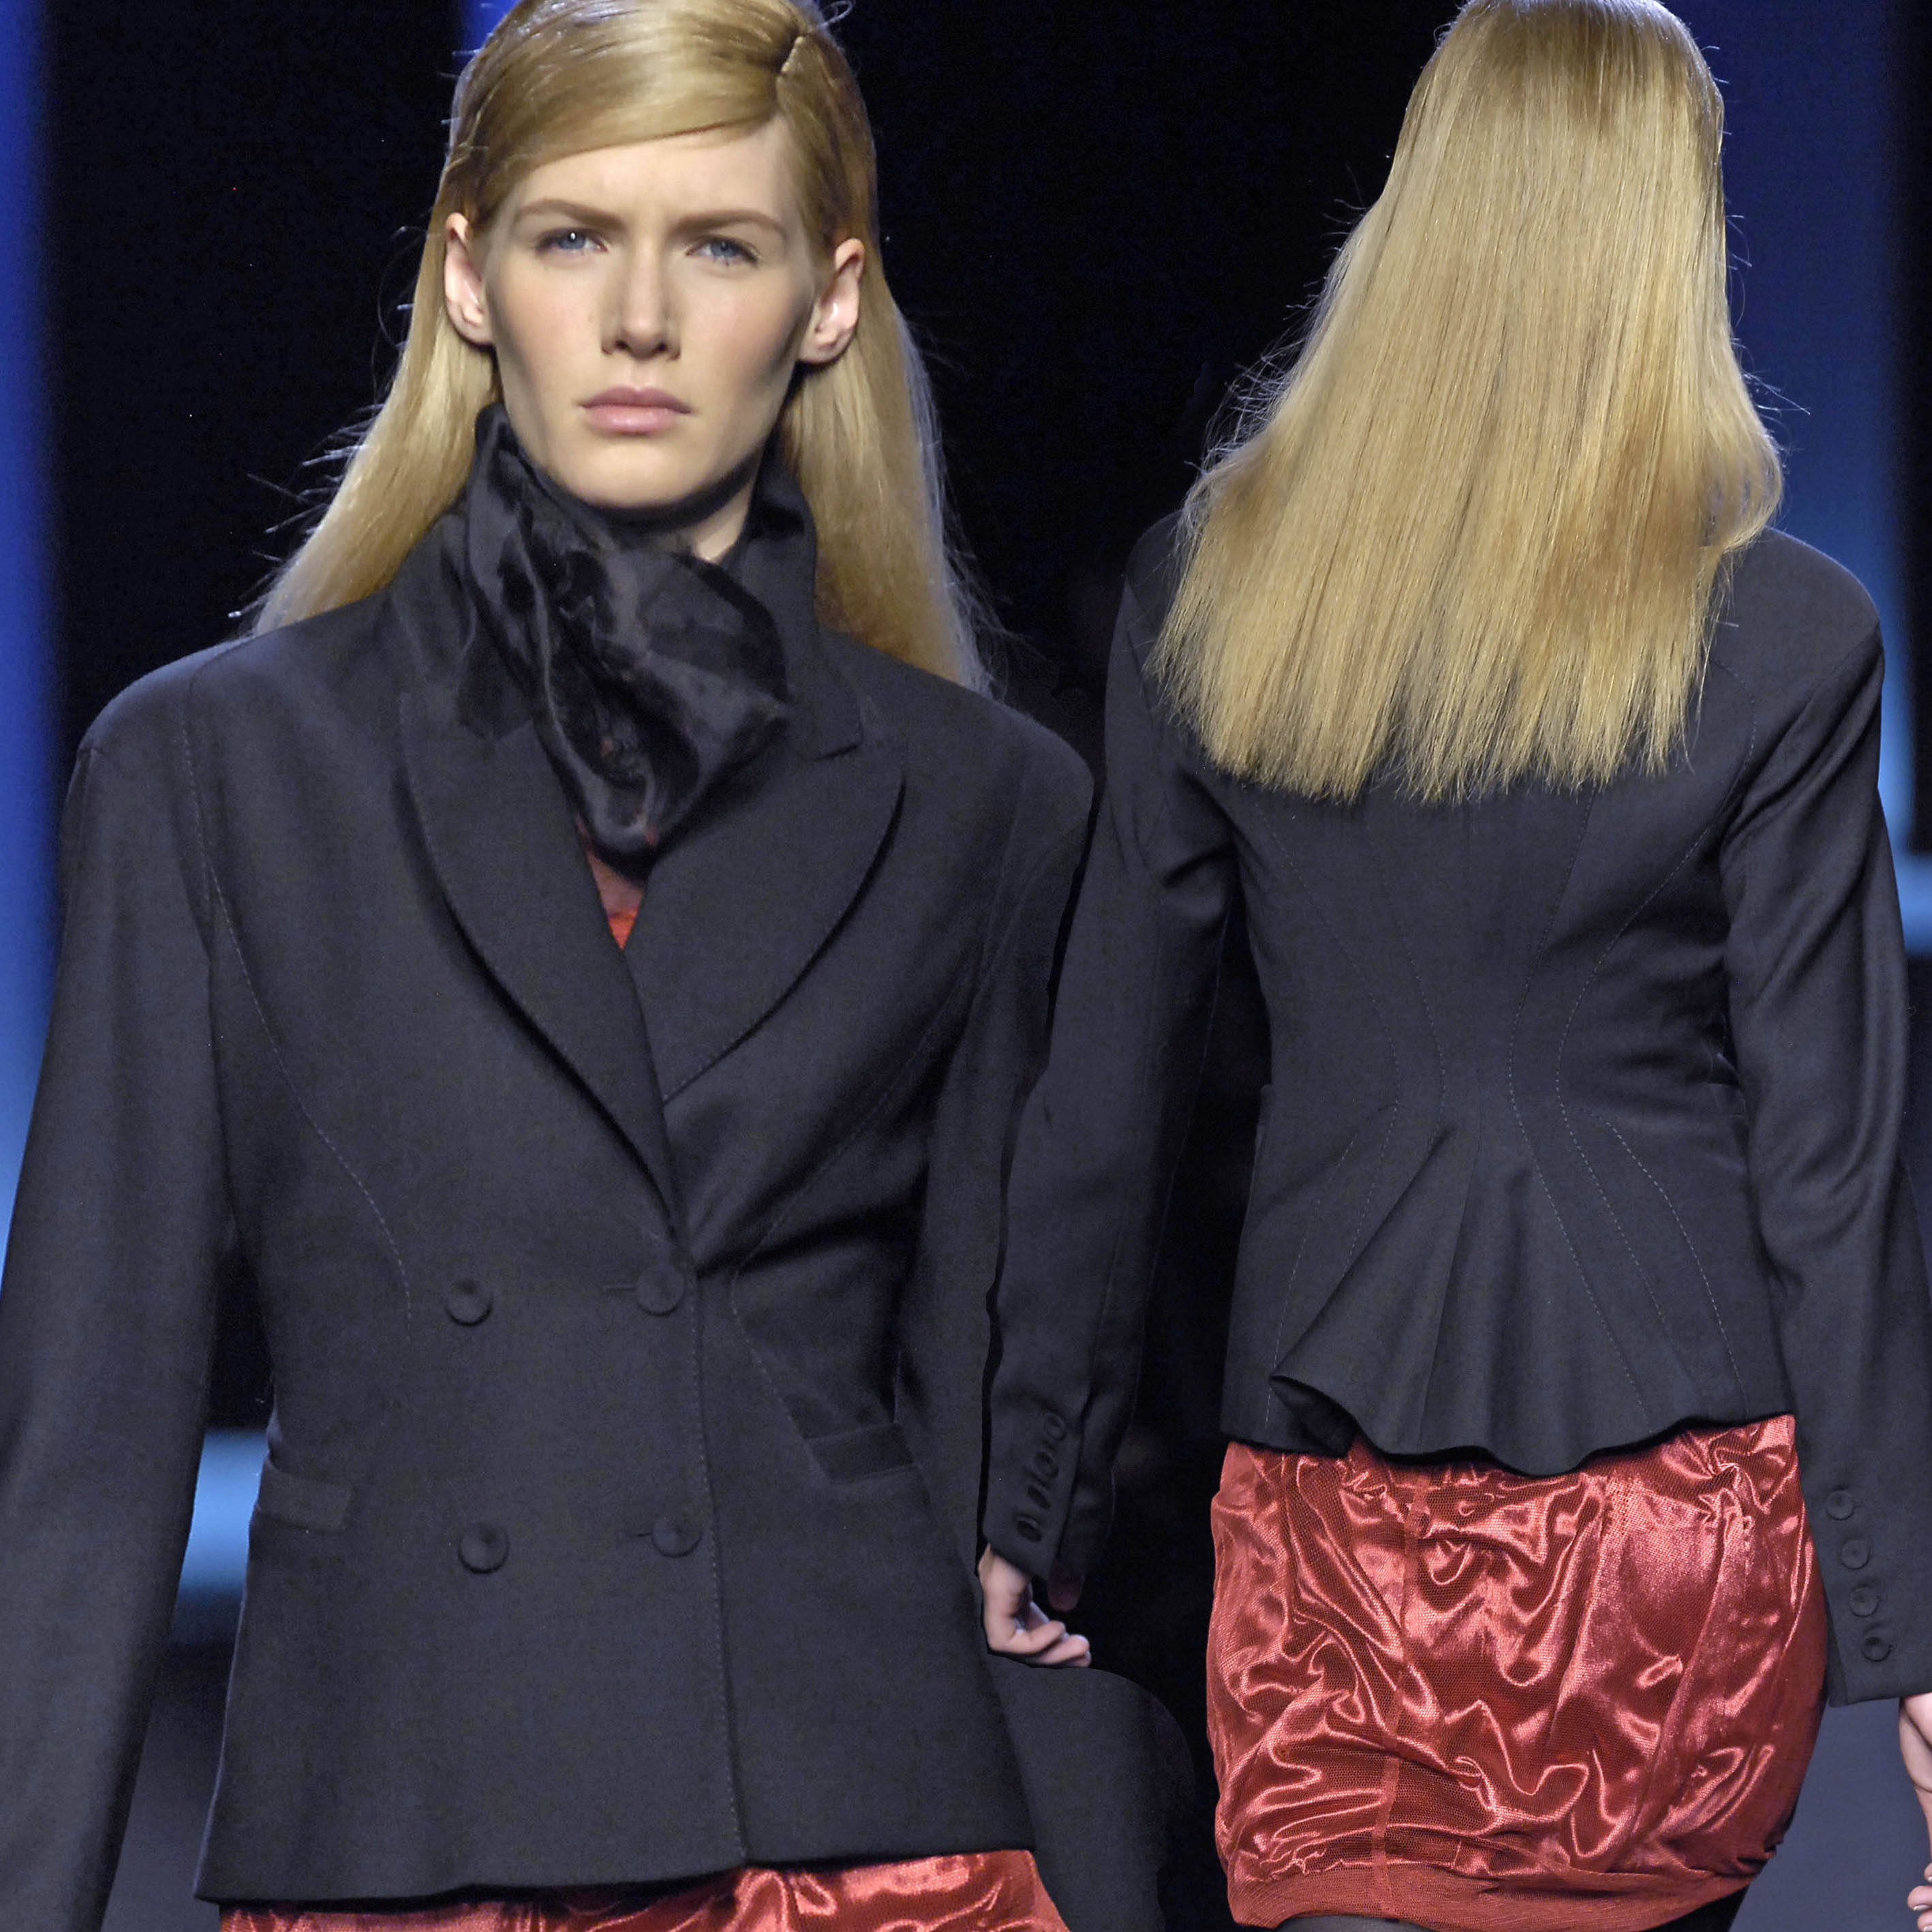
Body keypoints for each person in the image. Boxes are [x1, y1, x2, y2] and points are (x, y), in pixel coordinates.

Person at [0, 3, 1187, 1929]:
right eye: (576, 237)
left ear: (826, 299)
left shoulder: (987, 806)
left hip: (861, 1832)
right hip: (414, 1817)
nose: (641, 319)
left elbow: (997, 1429)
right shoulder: (217, 777)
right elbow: (84, 1450)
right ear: (470, 279)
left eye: (719, 245)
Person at [983, 1, 1932, 1929]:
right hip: (1675, 1526)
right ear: (1675, 237)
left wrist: (1032, 1498)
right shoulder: (1787, 635)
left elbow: (1108, 1095)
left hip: (1330, 1491)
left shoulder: (1217, 596)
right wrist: (1912, 1629)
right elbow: (1833, 1168)